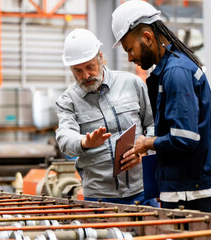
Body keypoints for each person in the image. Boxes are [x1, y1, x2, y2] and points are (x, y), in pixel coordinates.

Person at [111, 0, 211, 213]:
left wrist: (147, 143)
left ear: (147, 37)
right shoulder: (170, 70)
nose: (130, 57)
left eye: (130, 49)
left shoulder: (176, 72)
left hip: (187, 190)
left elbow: (185, 137)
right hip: (183, 186)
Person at [55, 28, 159, 207]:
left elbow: (152, 123)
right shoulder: (68, 100)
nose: (85, 76)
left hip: (142, 189)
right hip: (99, 197)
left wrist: (143, 151)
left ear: (100, 58)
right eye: (77, 71)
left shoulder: (132, 83)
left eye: (90, 67)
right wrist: (84, 142)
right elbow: (64, 137)